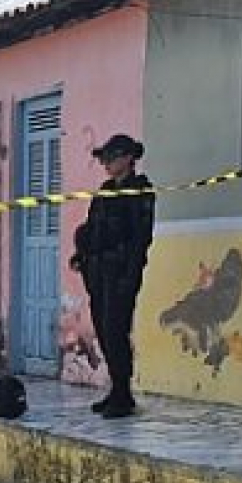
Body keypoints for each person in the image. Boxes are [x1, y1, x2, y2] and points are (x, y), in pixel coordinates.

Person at [70, 133, 155, 419]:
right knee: (104, 331)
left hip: (121, 272)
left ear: (129, 159)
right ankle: (117, 390)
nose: (106, 163)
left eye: (112, 157)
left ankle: (123, 392)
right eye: (104, 158)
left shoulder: (140, 192)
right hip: (98, 272)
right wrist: (81, 255)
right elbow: (92, 228)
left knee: (116, 331)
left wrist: (130, 276)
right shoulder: (105, 191)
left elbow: (139, 239)